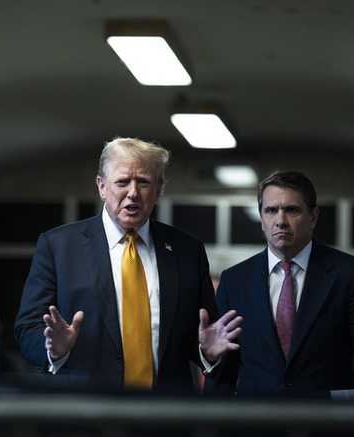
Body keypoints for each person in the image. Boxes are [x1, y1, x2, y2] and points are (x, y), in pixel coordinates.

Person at [14, 137, 239, 391]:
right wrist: (54, 350)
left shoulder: (187, 251)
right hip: (85, 412)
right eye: (122, 182)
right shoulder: (58, 246)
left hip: (166, 414)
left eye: (143, 182)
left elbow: (204, 332)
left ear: (159, 189)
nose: (133, 192)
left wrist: (206, 353)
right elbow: (27, 328)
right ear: (101, 186)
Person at [202, 170, 354, 399]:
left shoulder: (350, 274)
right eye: (271, 210)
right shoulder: (235, 280)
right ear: (262, 220)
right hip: (257, 426)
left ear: (313, 217)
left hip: (327, 426)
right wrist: (211, 359)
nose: (280, 221)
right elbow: (225, 368)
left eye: (291, 210)